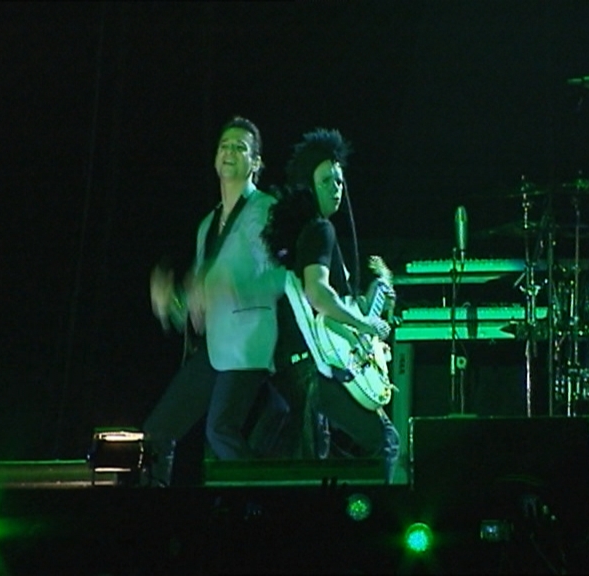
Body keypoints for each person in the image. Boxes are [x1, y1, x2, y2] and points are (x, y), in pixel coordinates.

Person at [144, 116, 286, 486]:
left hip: (249, 342)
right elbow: (199, 310)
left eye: (240, 147)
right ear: (214, 158)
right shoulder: (207, 225)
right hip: (216, 346)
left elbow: (282, 278)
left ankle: (259, 503)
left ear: (256, 163)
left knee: (220, 430)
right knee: (158, 432)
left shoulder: (266, 209)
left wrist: (236, 287)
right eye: (224, 146)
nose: (229, 152)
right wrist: (171, 304)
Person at [260, 127, 400, 483]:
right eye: (326, 181)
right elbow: (319, 294)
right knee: (385, 440)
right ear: (307, 185)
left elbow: (333, 302)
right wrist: (367, 325)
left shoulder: (304, 233)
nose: (336, 188)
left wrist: (372, 300)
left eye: (339, 181)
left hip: (295, 367)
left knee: (315, 465)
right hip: (315, 370)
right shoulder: (320, 230)